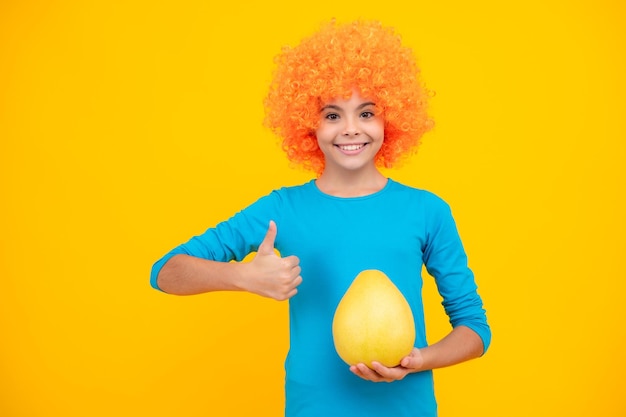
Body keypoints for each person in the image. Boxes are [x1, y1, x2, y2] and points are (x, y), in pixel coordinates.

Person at [151, 19, 491, 417]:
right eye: (332, 115)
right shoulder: (281, 210)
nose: (350, 129)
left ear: (390, 120)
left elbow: (474, 329)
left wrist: (420, 359)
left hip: (406, 407)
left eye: (366, 113)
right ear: (308, 124)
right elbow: (166, 271)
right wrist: (243, 277)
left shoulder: (428, 211)